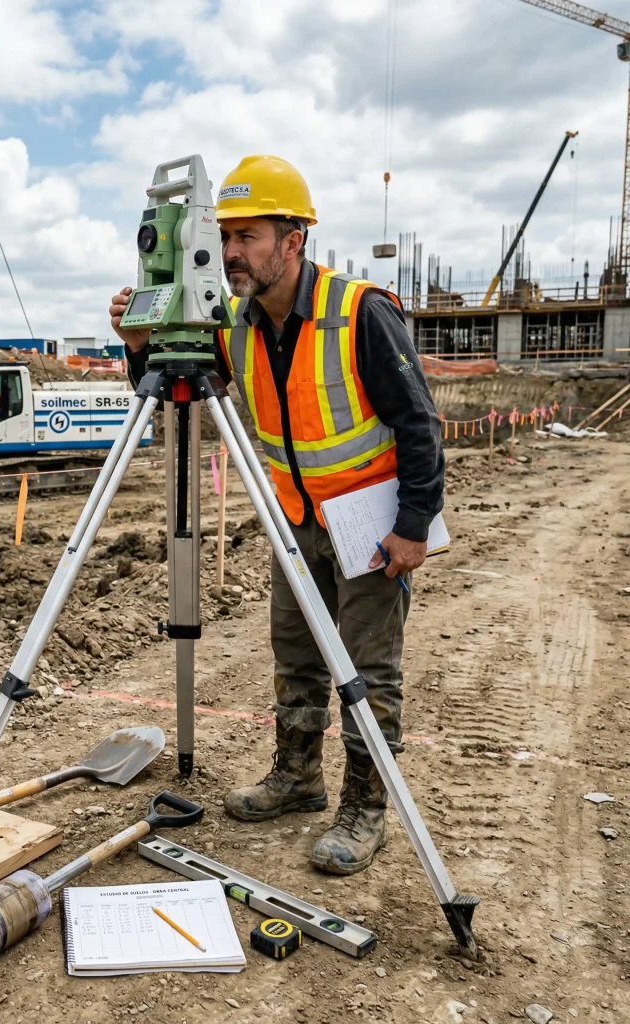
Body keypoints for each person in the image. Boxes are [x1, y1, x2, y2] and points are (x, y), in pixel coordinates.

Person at [108, 155, 444, 876]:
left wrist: (413, 526)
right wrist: (140, 351)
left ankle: (364, 808)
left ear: (293, 241)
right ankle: (298, 777)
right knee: (295, 659)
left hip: (368, 524)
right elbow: (185, 400)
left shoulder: (360, 311)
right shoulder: (236, 324)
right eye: (225, 236)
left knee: (365, 670)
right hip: (295, 521)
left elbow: (419, 423)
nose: (231, 252)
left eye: (249, 236)